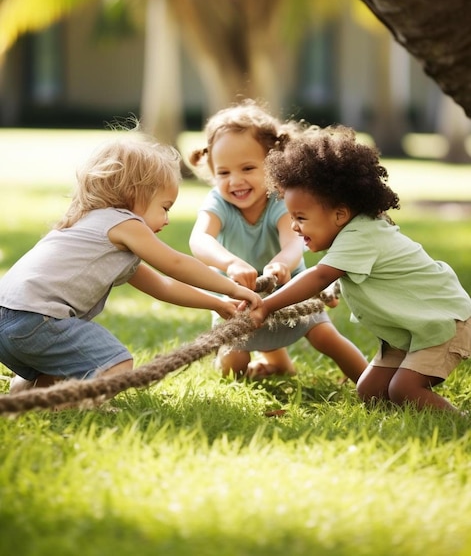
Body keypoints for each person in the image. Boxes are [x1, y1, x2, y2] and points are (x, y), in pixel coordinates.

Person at [0, 133, 263, 394]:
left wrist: (216, 302)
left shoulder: (91, 227)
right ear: (133, 194)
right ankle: (70, 407)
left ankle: (25, 394)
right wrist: (232, 288)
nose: (167, 219)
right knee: (114, 364)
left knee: (64, 370)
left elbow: (164, 285)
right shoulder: (124, 223)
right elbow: (175, 264)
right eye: (165, 207)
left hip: (8, 320)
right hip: (36, 320)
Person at [249, 123, 471, 412]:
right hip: (409, 329)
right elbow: (338, 275)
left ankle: (459, 421)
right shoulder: (355, 233)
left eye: (301, 217)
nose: (293, 226)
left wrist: (267, 306)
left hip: (442, 323)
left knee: (403, 389)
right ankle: (405, 420)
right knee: (371, 391)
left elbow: (319, 275)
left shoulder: (362, 235)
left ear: (340, 214)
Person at [188, 101, 368, 382]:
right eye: (223, 172)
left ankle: (371, 382)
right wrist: (231, 263)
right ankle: (278, 362)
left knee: (325, 336)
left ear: (273, 165)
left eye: (248, 168)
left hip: (289, 290)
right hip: (239, 299)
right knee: (232, 365)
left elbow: (295, 241)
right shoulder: (217, 203)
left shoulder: (281, 200)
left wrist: (281, 264)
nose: (235, 181)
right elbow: (200, 239)